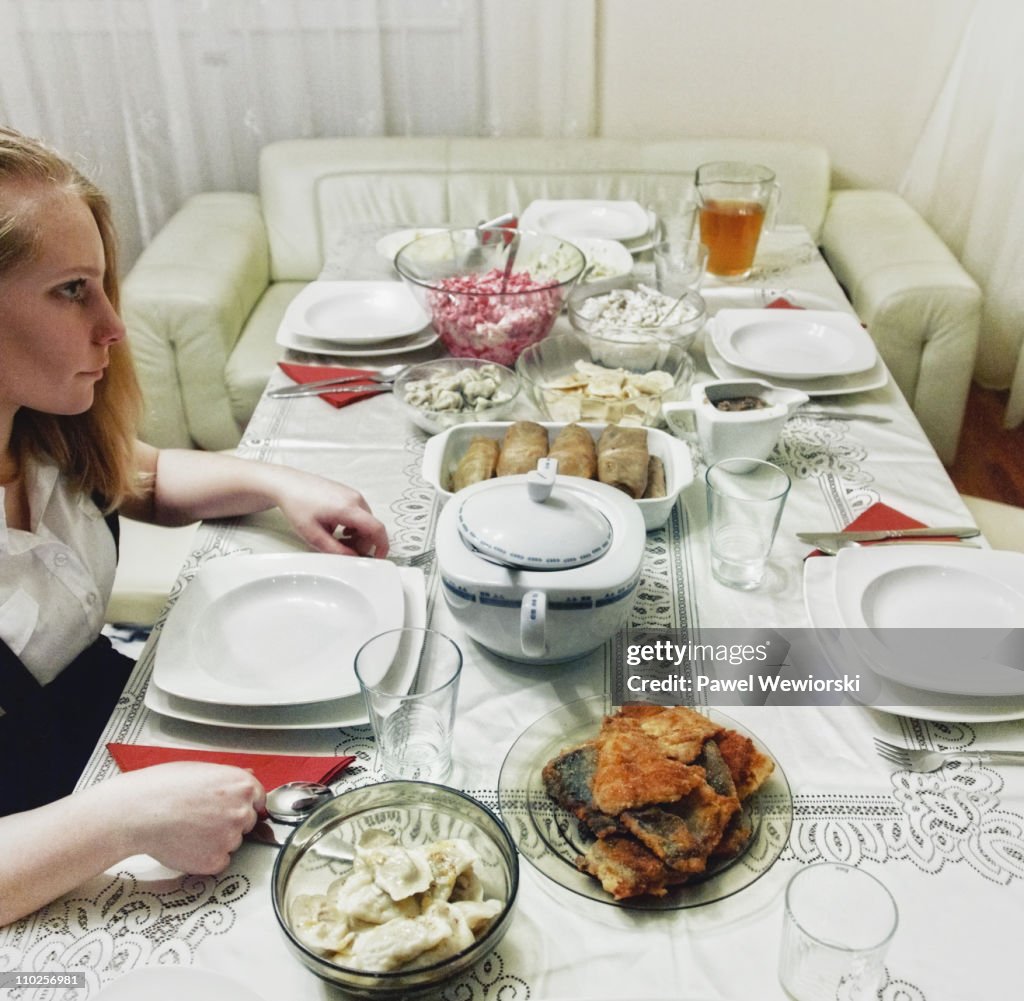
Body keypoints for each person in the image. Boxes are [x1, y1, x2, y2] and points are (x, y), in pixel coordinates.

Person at [0, 126, 390, 925]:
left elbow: (140, 475)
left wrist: (278, 481)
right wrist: (121, 818)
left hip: (117, 745)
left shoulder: (37, 430)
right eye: (73, 289)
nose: (112, 326)